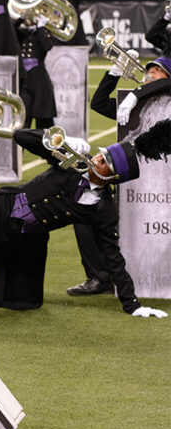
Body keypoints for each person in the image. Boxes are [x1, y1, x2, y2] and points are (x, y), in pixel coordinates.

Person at [0, 121, 171, 316]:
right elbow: (20, 136)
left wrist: (133, 305)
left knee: (16, 295)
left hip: (23, 240)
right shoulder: (72, 162)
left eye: (103, 162)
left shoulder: (103, 208)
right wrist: (56, 141)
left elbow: (113, 256)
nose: (96, 159)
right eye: (101, 155)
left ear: (112, 177)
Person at [69, 55, 170, 296]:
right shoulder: (134, 107)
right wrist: (113, 73)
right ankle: (99, 277)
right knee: (84, 206)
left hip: (163, 183)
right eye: (149, 71)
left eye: (157, 72)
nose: (149, 75)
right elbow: (98, 103)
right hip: (132, 183)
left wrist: (136, 93)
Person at [17, 15, 56, 128]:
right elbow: (10, 30)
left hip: (40, 82)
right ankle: (21, 145)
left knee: (43, 120)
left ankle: (43, 145)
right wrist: (21, 19)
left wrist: (40, 28)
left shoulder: (42, 33)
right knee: (24, 118)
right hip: (24, 81)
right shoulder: (20, 33)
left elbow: (47, 46)